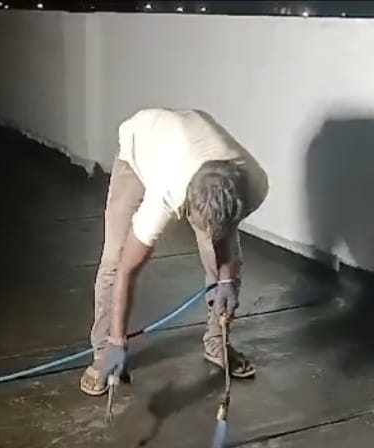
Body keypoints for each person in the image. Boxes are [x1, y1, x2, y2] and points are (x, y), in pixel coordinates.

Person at [81, 108, 269, 396]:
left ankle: (216, 342)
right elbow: (127, 271)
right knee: (115, 258)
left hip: (192, 140)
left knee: (222, 254)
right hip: (140, 143)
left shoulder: (254, 184)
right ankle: (105, 352)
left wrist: (226, 280)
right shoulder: (167, 190)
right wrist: (118, 340)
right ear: (187, 204)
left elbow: (226, 232)